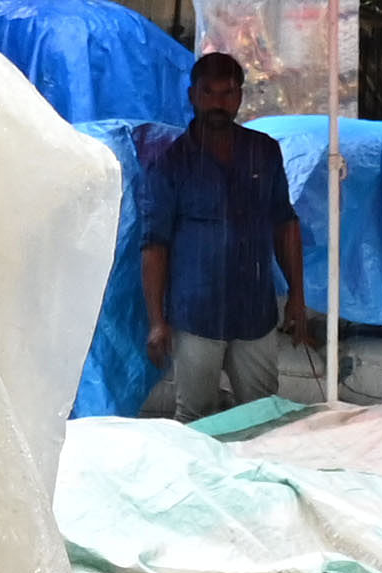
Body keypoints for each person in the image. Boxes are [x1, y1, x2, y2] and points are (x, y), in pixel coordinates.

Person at [132, 52, 308, 419]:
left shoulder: (264, 152)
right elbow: (155, 245)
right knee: (196, 419)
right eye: (208, 93)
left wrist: (297, 296)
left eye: (228, 93)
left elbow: (285, 224)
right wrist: (156, 321)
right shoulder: (171, 162)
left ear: (240, 97)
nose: (218, 103)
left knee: (263, 416)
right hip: (196, 314)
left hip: (254, 312)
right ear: (192, 95)